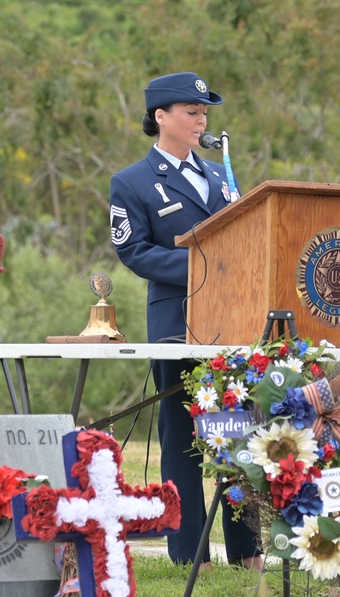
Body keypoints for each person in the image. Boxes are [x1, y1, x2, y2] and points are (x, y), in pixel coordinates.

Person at [108, 72, 261, 570]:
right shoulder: (132, 182)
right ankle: (191, 553)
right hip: (177, 321)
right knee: (182, 437)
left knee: (238, 429)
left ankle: (247, 549)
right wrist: (204, 266)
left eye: (204, 113)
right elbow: (132, 250)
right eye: (191, 112)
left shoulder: (221, 176)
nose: (201, 120)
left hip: (234, 322)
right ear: (160, 117)